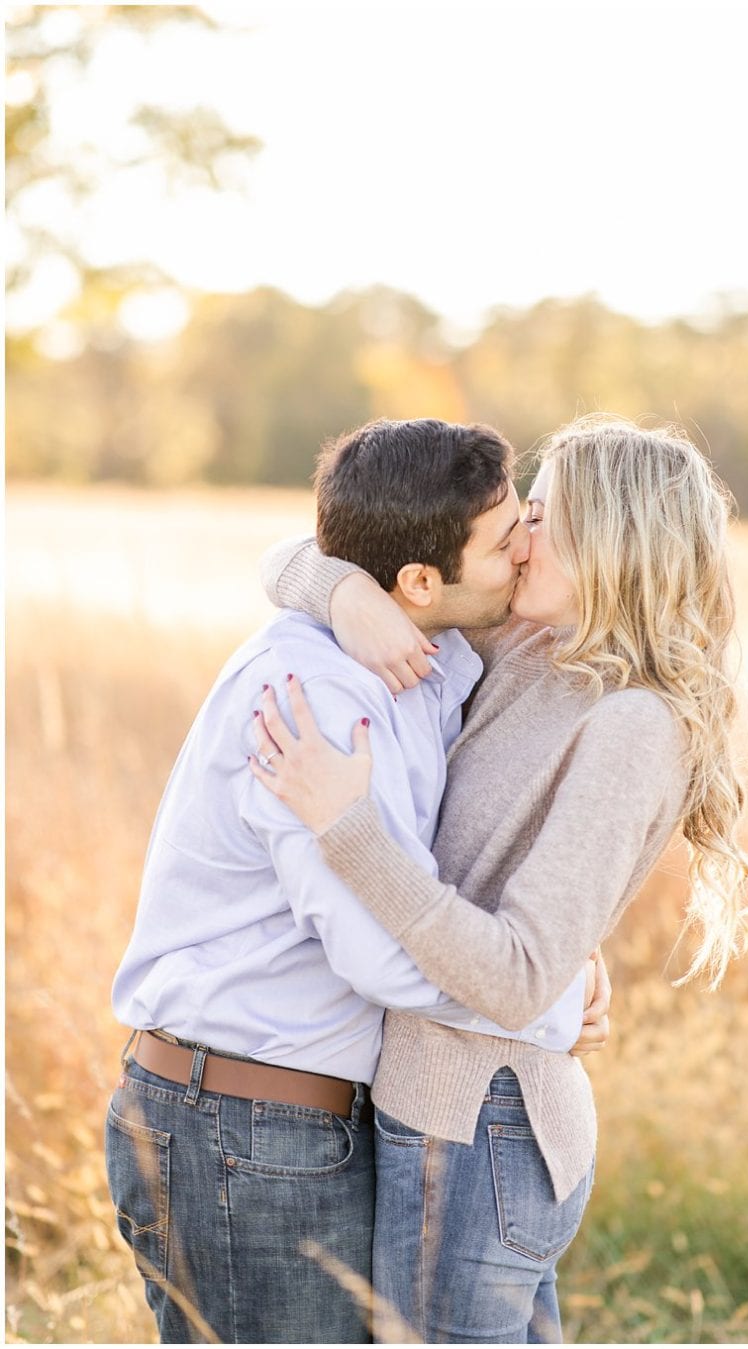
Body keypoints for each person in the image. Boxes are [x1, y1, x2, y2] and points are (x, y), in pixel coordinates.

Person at [249, 413, 748, 1343]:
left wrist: (346, 827)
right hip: (445, 1120)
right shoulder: (528, 648)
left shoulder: (635, 725)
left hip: (484, 1133)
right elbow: (290, 560)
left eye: (542, 515)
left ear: (609, 538)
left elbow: (518, 975)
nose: (519, 533)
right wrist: (349, 594)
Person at [106, 418, 607, 1344]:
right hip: (242, 1132)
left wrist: (336, 585)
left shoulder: (427, 655)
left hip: (276, 1123)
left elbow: (301, 559)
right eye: (506, 541)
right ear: (419, 580)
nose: (528, 548)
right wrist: (548, 995)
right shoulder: (320, 699)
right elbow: (379, 956)